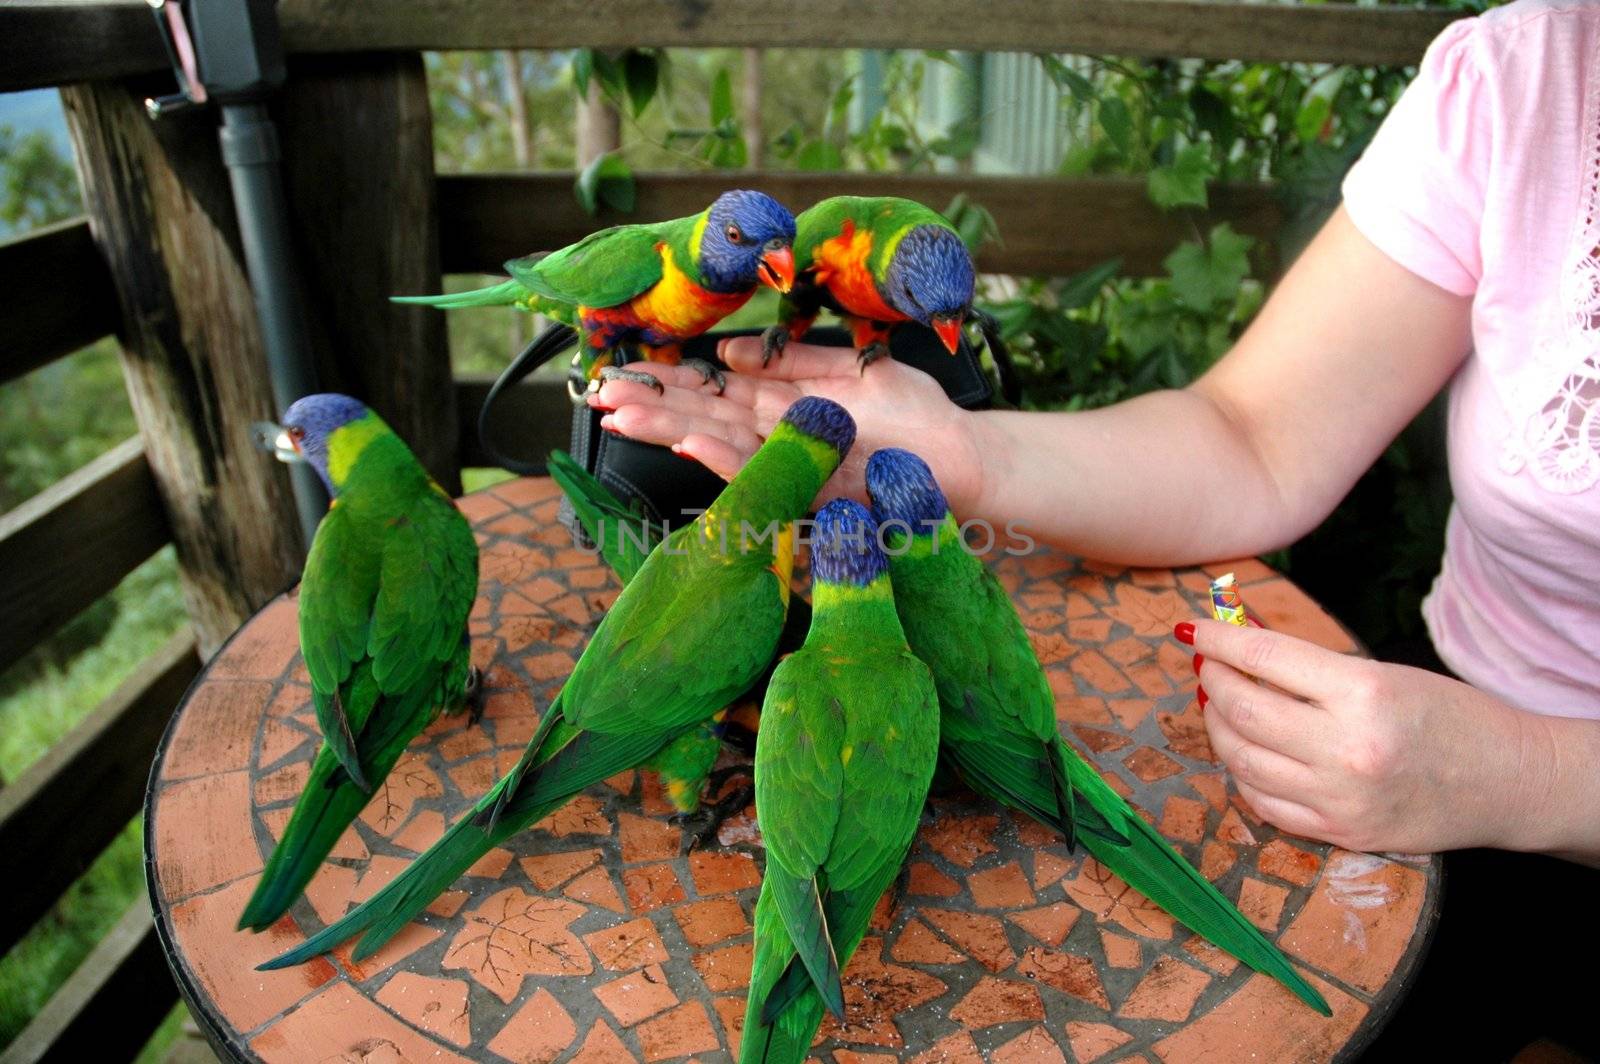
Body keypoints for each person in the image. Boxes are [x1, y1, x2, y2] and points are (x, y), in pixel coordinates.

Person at [594, 1, 1599, 1054]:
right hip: (1423, 748)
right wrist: (975, 454)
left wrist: (1526, 774)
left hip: (1470, 774)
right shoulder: (1524, 74)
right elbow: (1253, 438)